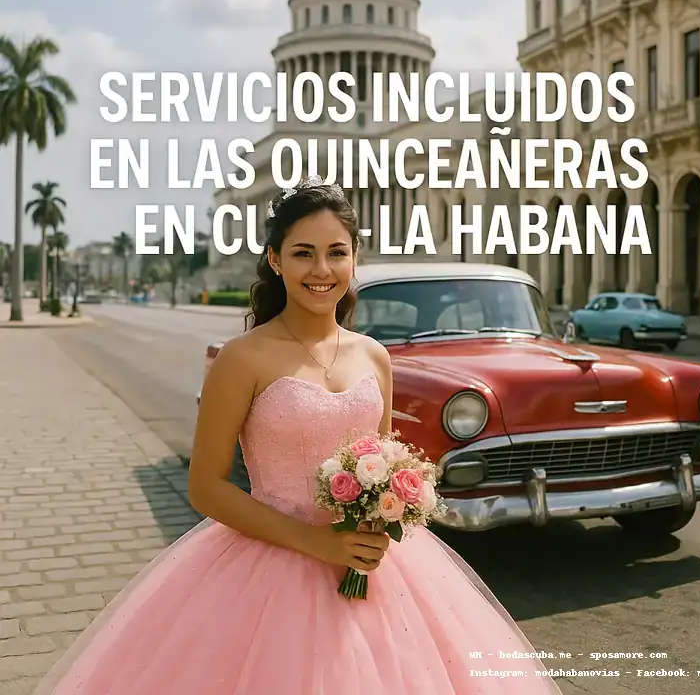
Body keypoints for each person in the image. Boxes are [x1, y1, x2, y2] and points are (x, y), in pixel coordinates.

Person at [33, 177, 563, 694]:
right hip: (270, 570)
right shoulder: (243, 358)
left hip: (375, 568)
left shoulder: (374, 356)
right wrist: (315, 542)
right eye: (303, 253)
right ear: (275, 259)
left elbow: (378, 458)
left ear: (355, 256)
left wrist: (384, 515)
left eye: (336, 252)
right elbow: (206, 487)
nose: (321, 270)